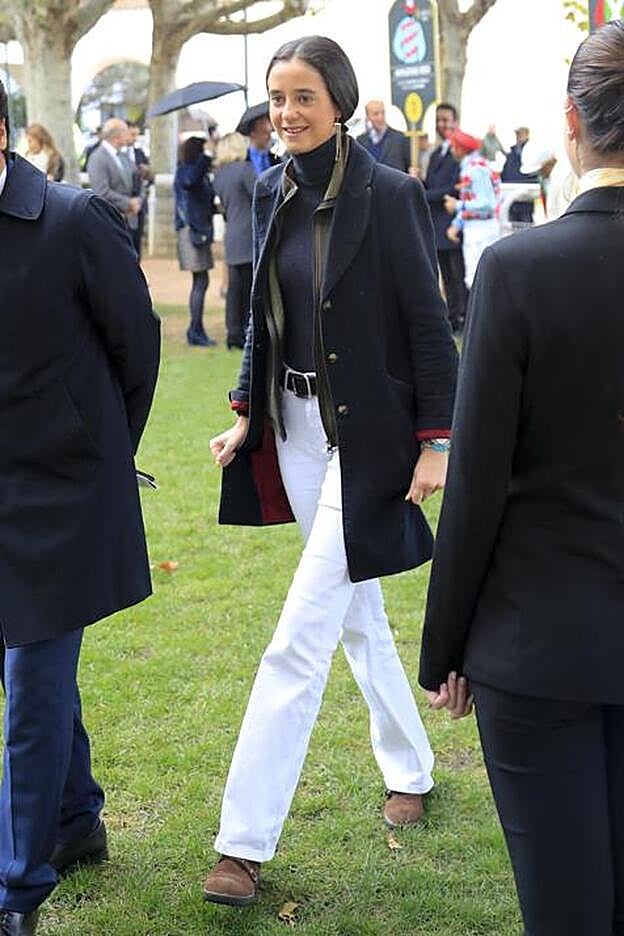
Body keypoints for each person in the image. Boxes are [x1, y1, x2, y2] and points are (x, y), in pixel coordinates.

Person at [204, 35, 458, 908]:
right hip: (297, 427)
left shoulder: (390, 195)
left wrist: (437, 441)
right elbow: (261, 323)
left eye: (303, 95)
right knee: (358, 619)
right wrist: (247, 415)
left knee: (298, 638)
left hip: (372, 439)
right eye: (277, 96)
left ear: (339, 101)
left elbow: (429, 324)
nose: (286, 112)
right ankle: (414, 767)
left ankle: (242, 843)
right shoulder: (276, 186)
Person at [419, 21, 624, 936]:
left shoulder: (518, 270)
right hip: (545, 641)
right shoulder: (518, 269)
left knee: (566, 909)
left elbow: (478, 485)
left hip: (538, 643)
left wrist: (445, 646)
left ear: (570, 126)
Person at [0, 78, 160, 936]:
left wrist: (95, 453)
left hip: (62, 494)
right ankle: (76, 819)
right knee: (26, 669)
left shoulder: (72, 219)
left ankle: (16, 890)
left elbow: (137, 346)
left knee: (29, 684)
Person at [424, 103, 467, 332]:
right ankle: (452, 315)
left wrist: (425, 194)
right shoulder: (434, 155)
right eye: (439, 120)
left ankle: (462, 316)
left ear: (456, 121)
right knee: (447, 277)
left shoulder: (461, 154)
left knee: (458, 273)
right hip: (436, 223)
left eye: (447, 120)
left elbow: (453, 188)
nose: (443, 124)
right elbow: (431, 185)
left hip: (452, 222)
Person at [173, 136, 217, 347]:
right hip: (192, 230)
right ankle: (195, 330)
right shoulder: (188, 169)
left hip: (195, 228)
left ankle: (196, 328)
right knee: (200, 280)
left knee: (201, 280)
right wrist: (206, 158)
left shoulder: (190, 169)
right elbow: (190, 181)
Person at [213, 132, 255, 350]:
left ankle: (233, 333)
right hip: (248, 233)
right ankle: (248, 332)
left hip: (232, 233)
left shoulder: (220, 174)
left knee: (234, 289)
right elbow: (259, 194)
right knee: (249, 288)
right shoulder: (245, 170)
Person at [444, 128, 500, 290]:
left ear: (460, 149)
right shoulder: (473, 167)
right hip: (476, 228)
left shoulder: (476, 170)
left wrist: (458, 206)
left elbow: (487, 203)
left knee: (478, 281)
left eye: (453, 146)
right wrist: (458, 223)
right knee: (475, 280)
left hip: (481, 229)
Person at [87, 118, 142, 249]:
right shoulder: (97, 158)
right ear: (117, 135)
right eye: (126, 132)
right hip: (110, 221)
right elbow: (101, 191)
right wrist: (128, 203)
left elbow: (137, 181)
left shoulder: (124, 156)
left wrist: (138, 200)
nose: (129, 135)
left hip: (130, 220)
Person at [356, 99, 411, 172]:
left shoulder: (400, 139)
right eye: (376, 114)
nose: (380, 117)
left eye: (382, 113)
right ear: (368, 117)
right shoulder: (360, 141)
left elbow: (409, 169)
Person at [125, 122, 153, 260]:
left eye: (137, 134)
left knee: (137, 243)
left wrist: (147, 173)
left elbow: (149, 178)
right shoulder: (116, 156)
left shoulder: (140, 153)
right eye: (132, 134)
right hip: (123, 206)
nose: (135, 138)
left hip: (139, 206)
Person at [501, 126, 537, 223]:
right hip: (511, 200)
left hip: (526, 200)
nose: (518, 136)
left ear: (526, 135)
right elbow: (505, 173)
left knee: (526, 228)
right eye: (517, 134)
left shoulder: (532, 152)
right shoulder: (511, 154)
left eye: (520, 134)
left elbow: (534, 174)